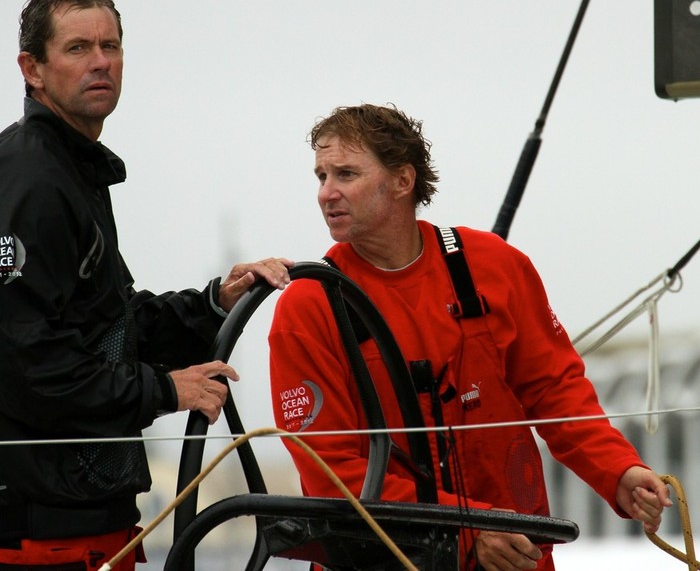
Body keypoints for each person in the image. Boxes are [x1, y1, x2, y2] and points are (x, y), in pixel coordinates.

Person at [0, 0, 293, 571]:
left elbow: (106, 325)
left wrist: (214, 305)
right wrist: (166, 390)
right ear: (32, 68)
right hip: (35, 527)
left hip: (82, 518)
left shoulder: (68, 172)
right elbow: (26, 365)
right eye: (78, 48)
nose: (101, 62)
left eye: (110, 46)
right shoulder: (27, 182)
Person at [267, 103, 672, 571]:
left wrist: (619, 470)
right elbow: (330, 475)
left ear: (403, 180)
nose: (326, 193)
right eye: (321, 176)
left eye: (346, 174)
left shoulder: (494, 265)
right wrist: (469, 530)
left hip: (515, 557)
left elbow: (555, 390)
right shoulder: (309, 306)